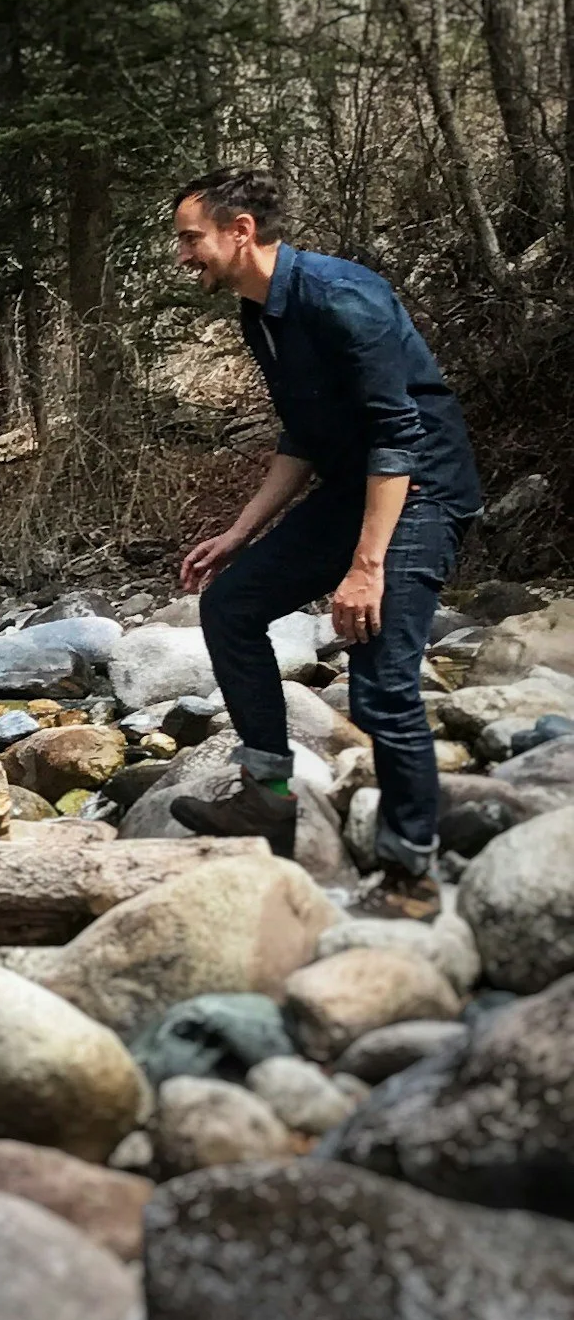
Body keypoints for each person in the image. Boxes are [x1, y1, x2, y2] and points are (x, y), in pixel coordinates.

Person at [168, 168, 482, 917]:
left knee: (380, 684)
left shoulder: (343, 298)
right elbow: (305, 436)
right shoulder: (259, 312)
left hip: (421, 490)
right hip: (353, 487)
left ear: (240, 230)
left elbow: (398, 436)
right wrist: (241, 532)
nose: (183, 257)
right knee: (231, 605)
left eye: (190, 239)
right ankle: (269, 795)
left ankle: (411, 878)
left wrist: (368, 565)